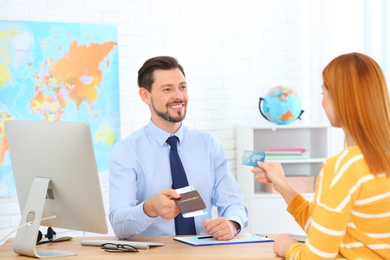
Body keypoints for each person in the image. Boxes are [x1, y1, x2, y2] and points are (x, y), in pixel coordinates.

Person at [252, 52, 390, 259]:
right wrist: (283, 186)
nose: (323, 102)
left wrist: (288, 248)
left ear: (342, 99)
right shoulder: (376, 160)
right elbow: (325, 230)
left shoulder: (343, 167)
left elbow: (316, 257)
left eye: (323, 92)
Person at [109, 56, 248, 240]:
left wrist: (232, 223)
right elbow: (120, 226)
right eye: (167, 89)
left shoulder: (208, 145)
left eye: (182, 87)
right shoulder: (126, 151)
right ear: (145, 95)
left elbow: (233, 202)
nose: (179, 96)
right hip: (154, 255)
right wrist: (149, 208)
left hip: (203, 251)